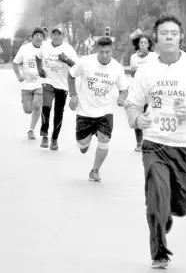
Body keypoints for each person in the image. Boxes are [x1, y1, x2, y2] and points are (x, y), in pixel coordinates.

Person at [124, 14, 186, 269]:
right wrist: (137, 120)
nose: (169, 37)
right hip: (155, 143)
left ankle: (167, 213)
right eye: (164, 33)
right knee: (156, 196)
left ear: (181, 38)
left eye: (174, 33)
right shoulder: (146, 71)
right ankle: (158, 252)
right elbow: (133, 103)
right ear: (155, 37)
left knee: (182, 205)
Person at [68, 37, 128, 182]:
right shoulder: (86, 62)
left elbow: (124, 89)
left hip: (105, 111)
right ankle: (84, 144)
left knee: (104, 139)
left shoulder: (117, 68)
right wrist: (73, 95)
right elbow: (70, 75)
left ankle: (95, 171)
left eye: (107, 52)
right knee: (82, 145)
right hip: (85, 111)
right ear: (97, 50)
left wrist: (121, 98)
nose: (104, 55)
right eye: (101, 52)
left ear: (111, 50)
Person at [36, 25, 78, 150]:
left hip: (62, 85)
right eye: (54, 33)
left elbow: (77, 66)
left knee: (58, 112)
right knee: (46, 108)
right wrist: (39, 69)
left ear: (63, 36)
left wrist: (66, 60)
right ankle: (44, 136)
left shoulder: (68, 49)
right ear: (51, 35)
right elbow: (38, 58)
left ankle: (54, 138)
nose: (56, 36)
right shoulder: (45, 46)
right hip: (47, 82)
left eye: (59, 34)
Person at [12, 27, 44, 139]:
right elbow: (15, 63)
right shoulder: (25, 48)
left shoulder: (46, 48)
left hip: (40, 83)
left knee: (37, 104)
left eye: (41, 35)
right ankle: (26, 100)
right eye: (36, 35)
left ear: (43, 38)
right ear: (32, 37)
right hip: (27, 83)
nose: (39, 37)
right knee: (28, 110)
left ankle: (31, 130)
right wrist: (19, 76)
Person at [130, 33, 157, 152]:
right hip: (138, 91)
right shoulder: (134, 57)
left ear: (149, 45)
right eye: (141, 43)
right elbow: (132, 73)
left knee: (151, 115)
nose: (143, 45)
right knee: (139, 116)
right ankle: (139, 143)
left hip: (151, 91)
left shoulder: (153, 56)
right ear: (138, 45)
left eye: (145, 43)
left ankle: (152, 141)